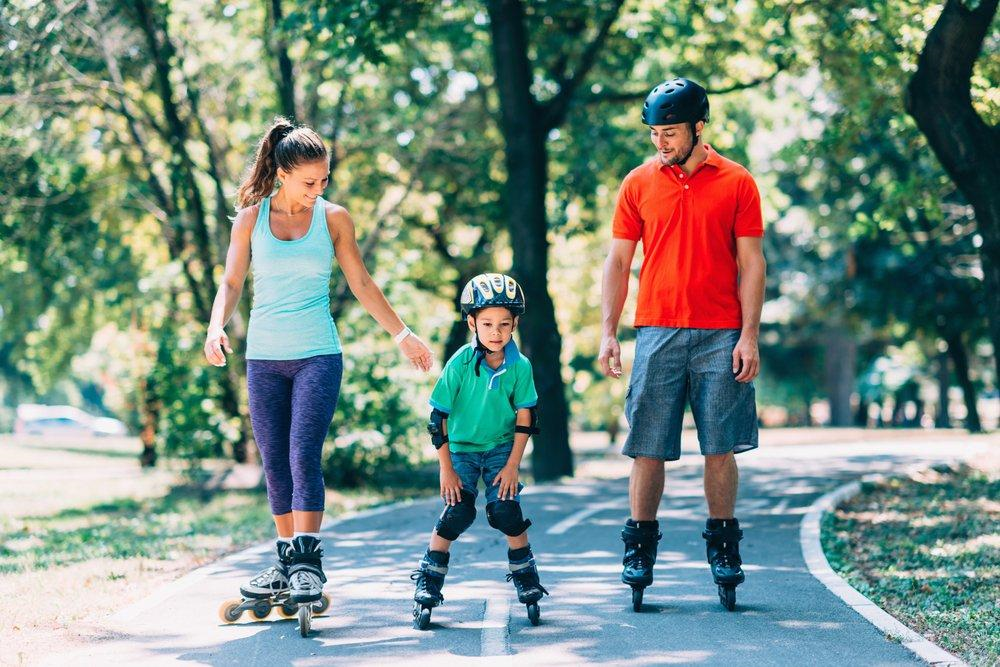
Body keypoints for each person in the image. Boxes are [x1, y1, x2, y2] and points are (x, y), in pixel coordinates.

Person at [204, 117, 433, 610]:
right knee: (274, 462)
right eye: (309, 182)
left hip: (317, 355)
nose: (318, 190)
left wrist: (403, 334)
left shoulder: (334, 219)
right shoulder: (250, 220)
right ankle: (286, 558)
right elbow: (231, 282)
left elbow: (361, 283)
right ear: (282, 173)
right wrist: (215, 324)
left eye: (324, 180)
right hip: (264, 357)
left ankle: (307, 561)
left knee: (302, 453)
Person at [597, 78, 766, 611]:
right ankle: (639, 548)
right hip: (657, 330)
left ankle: (724, 548)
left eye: (669, 132)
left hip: (722, 333)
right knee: (647, 446)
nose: (660, 142)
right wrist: (608, 331)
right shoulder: (637, 183)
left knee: (720, 445)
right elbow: (619, 261)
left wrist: (749, 335)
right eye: (654, 133)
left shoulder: (738, 182)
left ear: (698, 127)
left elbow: (752, 263)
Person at [410, 273, 548, 629]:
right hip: (461, 450)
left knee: (506, 511)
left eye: (504, 324)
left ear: (515, 323)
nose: (496, 332)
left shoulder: (520, 366)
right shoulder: (459, 363)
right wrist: (446, 469)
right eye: (487, 323)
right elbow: (438, 417)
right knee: (457, 513)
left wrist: (513, 465)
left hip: (501, 446)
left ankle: (527, 578)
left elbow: (526, 416)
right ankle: (428, 581)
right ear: (472, 323)